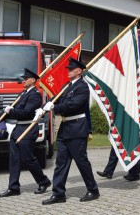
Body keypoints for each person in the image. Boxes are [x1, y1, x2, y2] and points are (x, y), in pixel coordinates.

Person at [41, 58, 99, 204]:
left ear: (79, 71)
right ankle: (59, 193)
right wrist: (46, 105)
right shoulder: (67, 86)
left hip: (77, 128)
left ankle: (93, 190)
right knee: (61, 162)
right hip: (65, 128)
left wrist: (55, 107)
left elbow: (72, 105)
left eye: (71, 69)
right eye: (68, 69)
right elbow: (57, 99)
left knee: (81, 161)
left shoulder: (83, 87)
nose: (68, 71)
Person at [0, 68, 51, 198]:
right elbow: (13, 107)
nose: (23, 80)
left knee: (28, 158)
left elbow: (26, 113)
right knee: (14, 159)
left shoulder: (35, 95)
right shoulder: (23, 93)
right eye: (24, 78)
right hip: (18, 129)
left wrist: (10, 111)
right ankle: (13, 187)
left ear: (33, 80)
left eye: (26, 79)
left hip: (28, 129)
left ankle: (43, 181)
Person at [97, 76, 140, 181]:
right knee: (137, 152)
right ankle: (134, 174)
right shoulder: (137, 96)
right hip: (139, 128)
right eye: (139, 84)